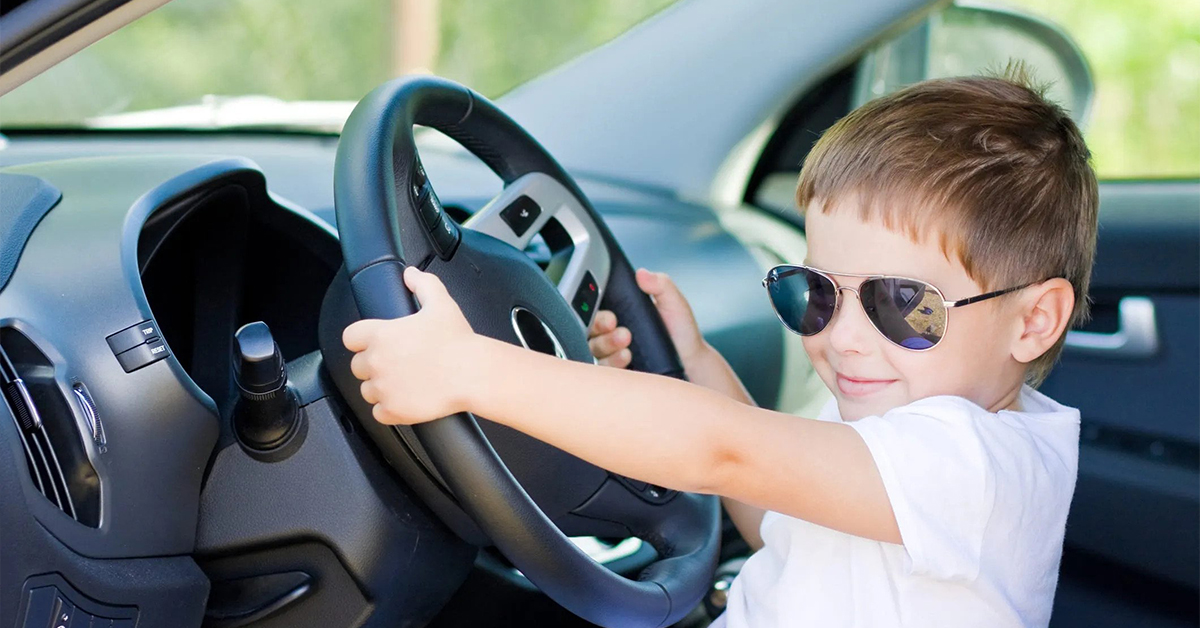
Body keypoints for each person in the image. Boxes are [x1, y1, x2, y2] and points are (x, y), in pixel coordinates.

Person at [342, 70, 1099, 627]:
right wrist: (696, 362)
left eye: (902, 303)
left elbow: (726, 453)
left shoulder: (973, 469)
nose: (842, 337)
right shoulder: (904, 426)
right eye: (818, 292)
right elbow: (775, 516)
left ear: (1034, 321)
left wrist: (472, 370)